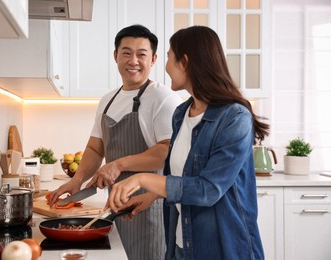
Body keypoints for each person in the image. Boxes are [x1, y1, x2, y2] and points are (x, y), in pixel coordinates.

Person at [107, 26, 268, 260]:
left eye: (170, 58)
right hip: (182, 245)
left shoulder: (234, 118)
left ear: (185, 61)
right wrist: (153, 195)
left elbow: (209, 189)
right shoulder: (182, 113)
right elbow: (186, 174)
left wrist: (142, 178)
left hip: (224, 248)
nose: (166, 66)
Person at [49, 24, 182, 260]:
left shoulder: (162, 97)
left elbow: (166, 151)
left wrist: (118, 164)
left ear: (153, 59)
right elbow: (94, 147)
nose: (134, 61)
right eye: (126, 53)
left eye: (141, 54)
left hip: (148, 207)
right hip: (115, 207)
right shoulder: (108, 100)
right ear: (115, 56)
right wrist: (78, 180)